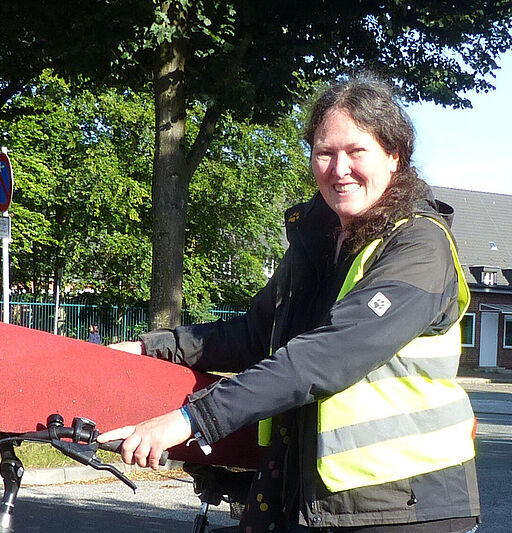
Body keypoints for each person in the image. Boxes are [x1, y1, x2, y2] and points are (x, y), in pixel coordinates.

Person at [100, 75, 480, 532]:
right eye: (325, 152)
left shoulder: (419, 245)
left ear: (394, 156)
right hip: (309, 496)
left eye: (356, 151)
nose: (339, 168)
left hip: (404, 505)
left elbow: (326, 356)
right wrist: (151, 348)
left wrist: (192, 419)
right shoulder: (319, 240)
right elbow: (254, 334)